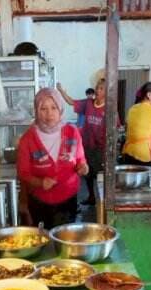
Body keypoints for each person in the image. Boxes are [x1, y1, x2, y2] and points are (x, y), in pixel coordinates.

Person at [17, 88, 89, 229]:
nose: (49, 114)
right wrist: (39, 182)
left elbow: (80, 159)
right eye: (43, 108)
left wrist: (83, 167)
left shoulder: (72, 132)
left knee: (65, 242)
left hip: (68, 200)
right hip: (39, 202)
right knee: (42, 242)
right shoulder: (27, 139)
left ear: (60, 109)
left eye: (53, 108)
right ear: (37, 111)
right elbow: (23, 173)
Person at [57, 78, 108, 206]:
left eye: (101, 88)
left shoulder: (109, 109)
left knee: (100, 176)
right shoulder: (88, 103)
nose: (97, 90)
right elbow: (70, 102)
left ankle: (103, 202)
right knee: (88, 175)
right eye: (97, 87)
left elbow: (115, 127)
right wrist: (61, 90)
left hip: (101, 148)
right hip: (87, 146)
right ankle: (91, 197)